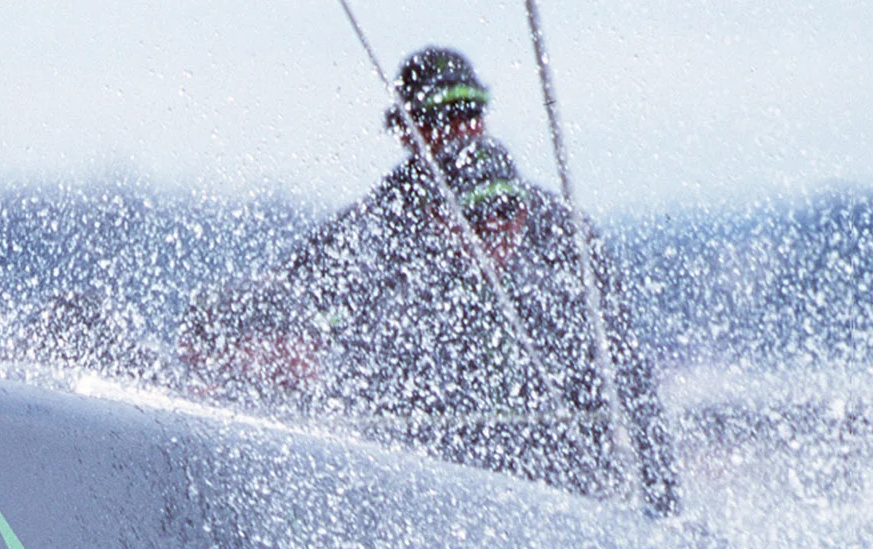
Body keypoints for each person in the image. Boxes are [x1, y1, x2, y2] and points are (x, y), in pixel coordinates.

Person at [181, 47, 678, 513]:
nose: (462, 128)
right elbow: (295, 331)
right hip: (430, 481)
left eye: (471, 111)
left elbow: (623, 367)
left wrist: (660, 498)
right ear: (405, 130)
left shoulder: (559, 229)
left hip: (562, 480)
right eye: (441, 117)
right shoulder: (360, 237)